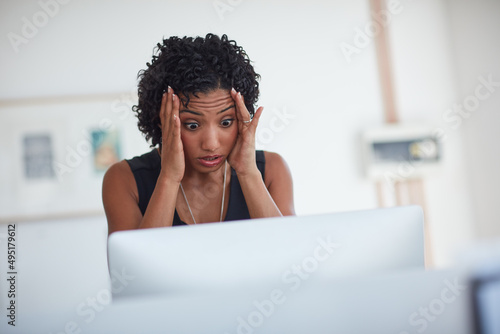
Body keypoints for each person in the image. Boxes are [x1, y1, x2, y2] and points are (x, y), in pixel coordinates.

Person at [102, 33, 294, 235]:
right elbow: (134, 266)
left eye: (226, 122)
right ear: (162, 120)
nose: (211, 144)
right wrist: (168, 177)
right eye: (192, 125)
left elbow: (291, 257)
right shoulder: (124, 180)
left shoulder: (272, 170)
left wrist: (248, 173)